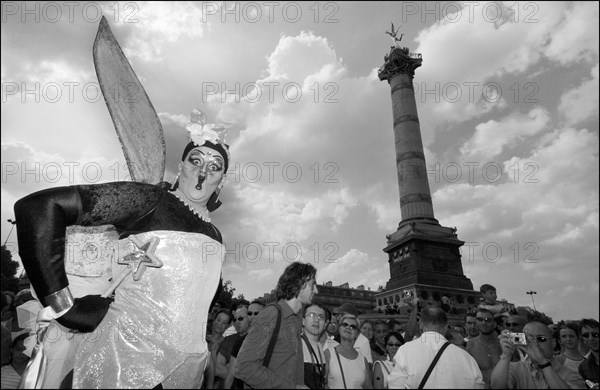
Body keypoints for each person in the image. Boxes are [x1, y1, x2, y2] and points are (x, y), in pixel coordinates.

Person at [13, 115, 230, 388]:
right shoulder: (150, 200)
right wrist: (62, 305)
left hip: (186, 373)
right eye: (196, 160)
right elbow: (39, 208)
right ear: (181, 166)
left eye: (215, 166)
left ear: (222, 179)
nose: (203, 172)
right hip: (123, 364)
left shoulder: (216, 236)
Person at [235, 262, 318, 388]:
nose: (316, 290)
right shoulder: (271, 314)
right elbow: (244, 367)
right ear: (299, 284)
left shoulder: (296, 319)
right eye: (313, 285)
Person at [388, 306, 485, 389]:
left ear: (421, 325)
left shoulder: (405, 352)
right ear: (446, 327)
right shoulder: (466, 358)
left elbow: (395, 385)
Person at [491, 321, 586, 389]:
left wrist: (543, 363)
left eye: (541, 339)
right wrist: (506, 355)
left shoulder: (571, 375)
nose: (535, 344)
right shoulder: (516, 367)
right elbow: (496, 386)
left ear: (553, 343)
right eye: (529, 340)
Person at [325, 313, 373, 389]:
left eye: (353, 327)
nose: (348, 328)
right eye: (345, 325)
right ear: (339, 329)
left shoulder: (363, 360)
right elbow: (322, 383)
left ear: (357, 333)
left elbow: (368, 386)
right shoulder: (328, 354)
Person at [467, 308, 502, 387]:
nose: (483, 322)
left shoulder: (503, 344)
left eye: (488, 320)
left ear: (494, 324)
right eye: (480, 319)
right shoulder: (470, 345)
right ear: (476, 322)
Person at [301, 304, 328, 389]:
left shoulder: (320, 347)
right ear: (303, 321)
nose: (316, 320)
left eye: (321, 317)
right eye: (312, 315)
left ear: (325, 325)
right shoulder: (295, 344)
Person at [578, 318, 599, 387]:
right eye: (586, 335)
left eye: (595, 335)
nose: (591, 338)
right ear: (583, 339)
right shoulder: (583, 367)